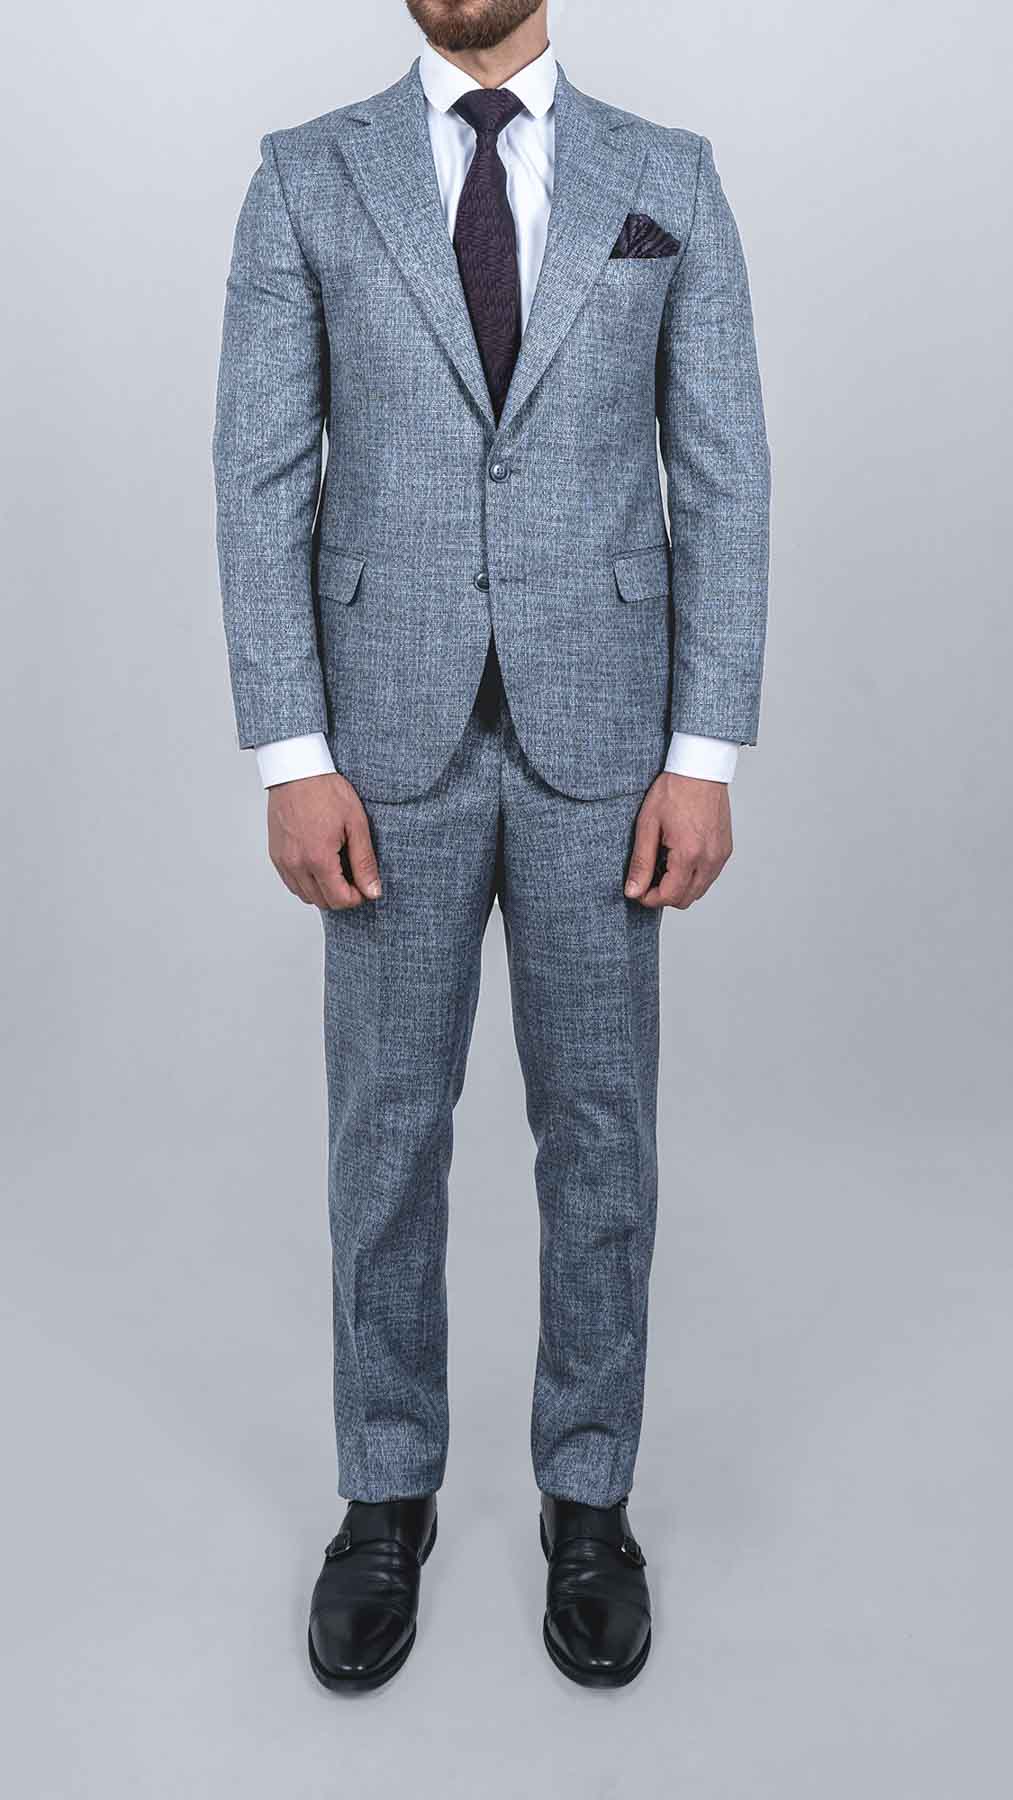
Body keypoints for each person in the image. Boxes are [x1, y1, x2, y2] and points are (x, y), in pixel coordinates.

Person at [213, 0, 769, 1691]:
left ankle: (587, 1503)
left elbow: (722, 474)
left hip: (606, 737)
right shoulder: (304, 178)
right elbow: (258, 475)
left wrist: (703, 752)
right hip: (382, 744)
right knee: (384, 1137)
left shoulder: (669, 177)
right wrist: (291, 754)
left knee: (599, 1137)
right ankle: (383, 1496)